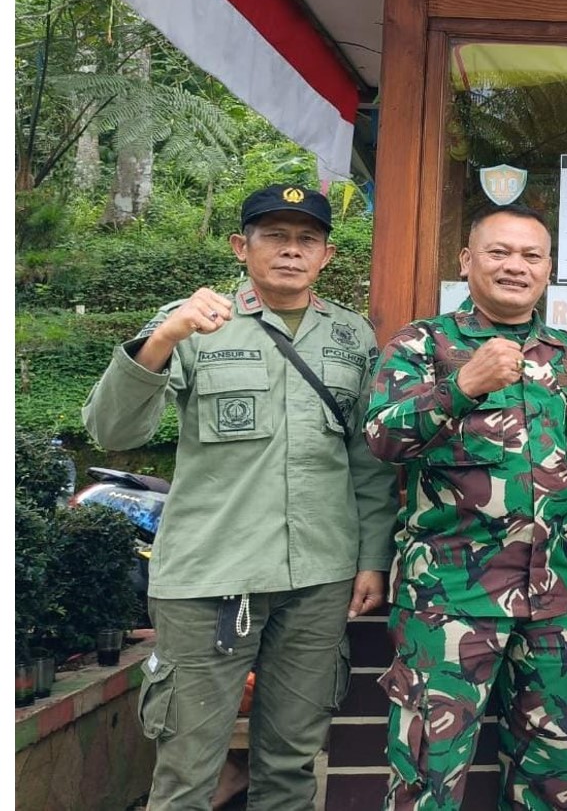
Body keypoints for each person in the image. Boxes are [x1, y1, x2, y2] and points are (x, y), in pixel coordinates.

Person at [84, 183, 397, 811]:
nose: (290, 251)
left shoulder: (353, 337)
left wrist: (371, 557)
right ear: (240, 246)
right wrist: (165, 337)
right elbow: (111, 431)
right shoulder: (196, 320)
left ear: (326, 256)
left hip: (318, 578)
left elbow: (367, 459)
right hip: (210, 580)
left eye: (306, 239)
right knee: (187, 773)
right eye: (274, 237)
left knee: (288, 768)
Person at [364, 203, 567, 811]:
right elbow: (381, 437)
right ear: (467, 261)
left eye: (531, 256)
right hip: (448, 599)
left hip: (556, 601)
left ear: (549, 268)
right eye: (499, 252)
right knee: (426, 781)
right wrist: (462, 385)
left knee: (551, 776)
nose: (516, 266)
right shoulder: (422, 343)